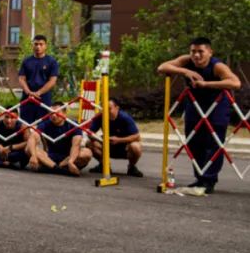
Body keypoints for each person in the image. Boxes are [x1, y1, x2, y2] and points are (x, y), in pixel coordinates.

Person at [158, 37, 241, 192]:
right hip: (194, 105)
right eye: (193, 51)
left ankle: (209, 180)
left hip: (217, 106)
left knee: (213, 144)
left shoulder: (217, 66)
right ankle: (200, 178)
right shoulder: (186, 61)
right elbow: (162, 67)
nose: (196, 55)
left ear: (210, 52)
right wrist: (185, 71)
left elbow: (235, 83)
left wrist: (206, 84)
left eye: (200, 51)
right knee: (193, 142)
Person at [28, 103, 91, 176]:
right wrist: (33, 155)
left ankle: (50, 168)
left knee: (87, 153)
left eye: (57, 113)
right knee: (29, 149)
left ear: (64, 113)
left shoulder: (74, 125)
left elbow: (76, 145)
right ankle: (60, 170)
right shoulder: (45, 124)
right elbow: (33, 137)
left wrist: (70, 161)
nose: (54, 115)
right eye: (51, 113)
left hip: (68, 157)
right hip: (49, 157)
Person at [86, 98, 143, 177]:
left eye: (109, 109)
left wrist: (119, 140)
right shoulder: (100, 117)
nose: (106, 112)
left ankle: (131, 167)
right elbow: (90, 133)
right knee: (89, 143)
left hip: (125, 148)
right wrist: (100, 139)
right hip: (107, 146)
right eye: (104, 109)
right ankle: (104, 165)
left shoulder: (125, 118)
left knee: (136, 146)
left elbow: (137, 137)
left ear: (117, 108)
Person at [17, 35, 59, 129]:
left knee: (44, 127)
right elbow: (21, 78)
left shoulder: (52, 62)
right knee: (25, 127)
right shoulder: (26, 61)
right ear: (32, 45)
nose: (38, 47)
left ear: (46, 46)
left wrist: (38, 93)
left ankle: (43, 139)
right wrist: (28, 92)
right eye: (36, 44)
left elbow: (52, 81)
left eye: (41, 44)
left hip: (43, 99)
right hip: (27, 99)